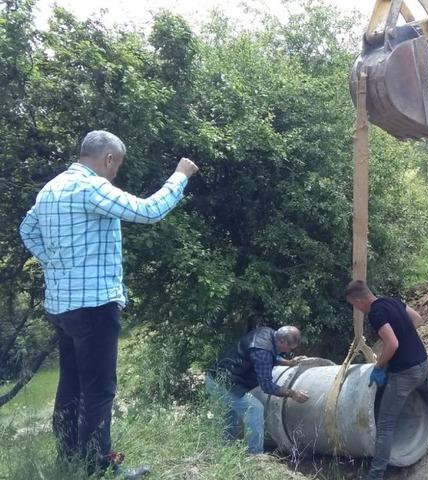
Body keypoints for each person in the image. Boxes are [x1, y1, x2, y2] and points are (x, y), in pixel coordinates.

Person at [19, 130, 199, 479]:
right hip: (94, 307)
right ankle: (97, 468)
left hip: (61, 306)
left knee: (70, 386)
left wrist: (56, 264)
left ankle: (69, 459)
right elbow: (149, 212)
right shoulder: (92, 187)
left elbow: (27, 230)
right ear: (109, 159)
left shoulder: (51, 188)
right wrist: (181, 175)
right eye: (117, 166)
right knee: (99, 391)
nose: (115, 174)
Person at [345, 280, 428, 480]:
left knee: (386, 423)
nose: (356, 309)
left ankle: (376, 474)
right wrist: (404, 334)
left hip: (404, 372)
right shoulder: (392, 301)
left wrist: (379, 367)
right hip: (422, 362)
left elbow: (392, 344)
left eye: (354, 304)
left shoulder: (375, 314)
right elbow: (416, 318)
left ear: (359, 299)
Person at [206, 325, 310, 455]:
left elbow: (269, 356)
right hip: (222, 384)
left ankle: (223, 451)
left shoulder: (269, 334)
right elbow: (267, 385)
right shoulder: (262, 349)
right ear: (282, 341)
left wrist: (288, 362)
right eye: (290, 348)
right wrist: (292, 393)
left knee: (230, 416)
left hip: (220, 378)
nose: (289, 351)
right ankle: (255, 455)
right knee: (255, 409)